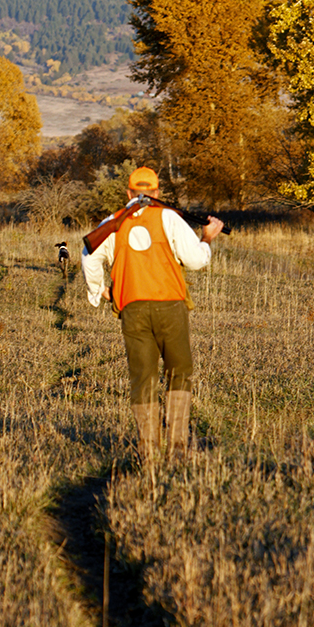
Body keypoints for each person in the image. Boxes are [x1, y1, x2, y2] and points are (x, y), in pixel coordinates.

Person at [81, 166, 223, 458]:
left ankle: (148, 450)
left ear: (129, 193)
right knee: (179, 373)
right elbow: (196, 261)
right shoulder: (168, 217)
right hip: (170, 306)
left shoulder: (113, 222)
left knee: (142, 378)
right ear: (157, 193)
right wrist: (207, 237)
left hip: (132, 308)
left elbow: (88, 256)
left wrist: (100, 291)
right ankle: (178, 448)